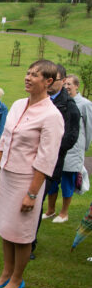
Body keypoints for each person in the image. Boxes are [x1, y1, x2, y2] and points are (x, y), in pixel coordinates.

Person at [0, 60, 64, 288]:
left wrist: (32, 193)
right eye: (28, 73)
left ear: (48, 82)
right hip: (9, 177)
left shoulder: (52, 116)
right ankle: (5, 274)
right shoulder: (19, 105)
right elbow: (5, 140)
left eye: (35, 75)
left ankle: (17, 279)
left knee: (21, 234)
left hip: (27, 181)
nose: (28, 77)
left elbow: (46, 159)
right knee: (6, 228)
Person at [33, 64, 80, 256]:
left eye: (54, 78)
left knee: (35, 202)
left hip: (49, 164)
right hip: (27, 161)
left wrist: (45, 150)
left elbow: (69, 138)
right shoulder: (36, 101)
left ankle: (29, 244)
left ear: (61, 81)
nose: (49, 81)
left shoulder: (68, 107)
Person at [44, 74, 92, 223]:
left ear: (77, 86)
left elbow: (89, 127)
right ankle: (50, 210)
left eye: (71, 84)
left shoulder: (84, 104)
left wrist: (85, 146)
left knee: (67, 181)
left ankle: (64, 212)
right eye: (66, 84)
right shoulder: (55, 101)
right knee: (52, 180)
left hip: (74, 149)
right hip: (57, 147)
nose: (67, 87)